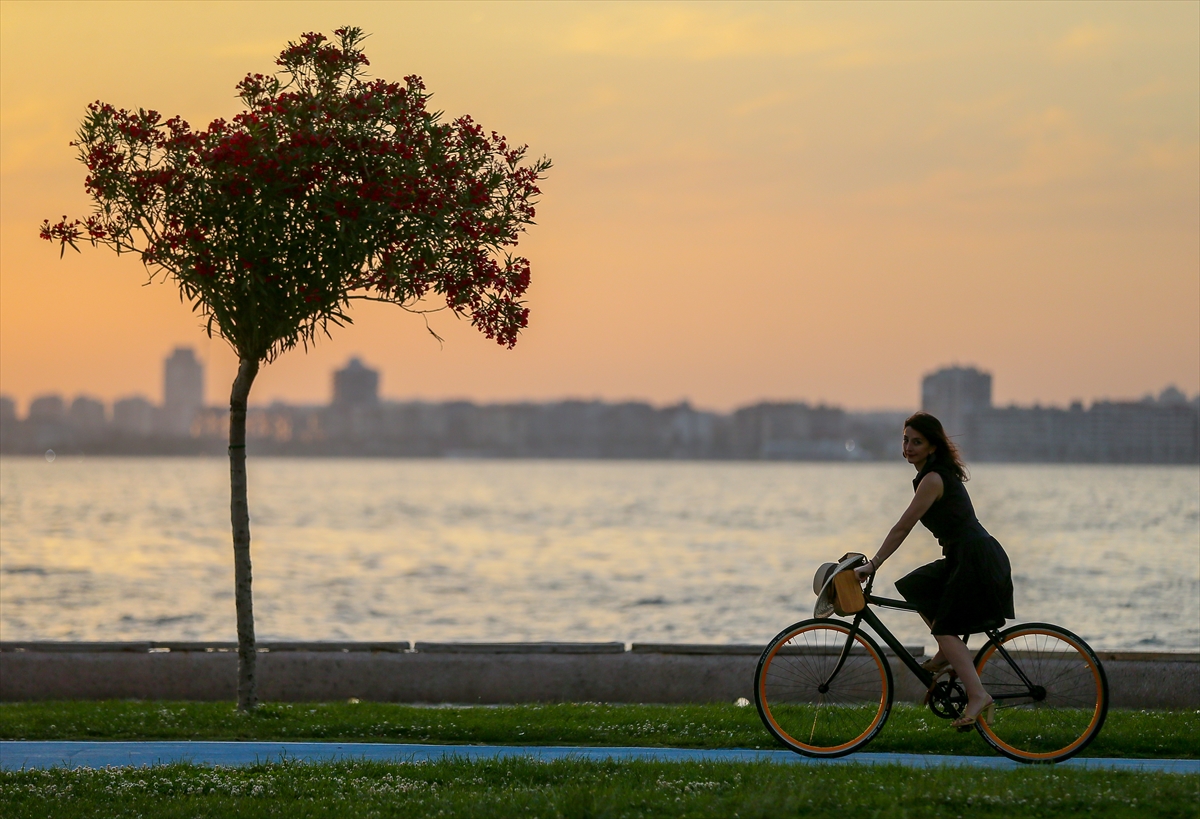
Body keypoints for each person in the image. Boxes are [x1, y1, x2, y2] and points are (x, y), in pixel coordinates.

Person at [854, 411, 1014, 730]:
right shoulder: (930, 474)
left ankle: (978, 695)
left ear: (932, 447)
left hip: (975, 556)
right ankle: (947, 651)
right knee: (916, 586)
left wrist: (874, 563)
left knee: (944, 626)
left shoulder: (933, 479)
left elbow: (903, 527)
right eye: (905, 440)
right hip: (962, 554)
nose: (909, 447)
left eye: (917, 442)